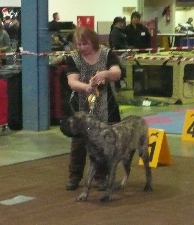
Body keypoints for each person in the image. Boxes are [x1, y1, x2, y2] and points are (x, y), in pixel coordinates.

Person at [64, 26, 122, 191]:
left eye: (85, 44)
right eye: (79, 44)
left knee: (104, 143)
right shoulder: (73, 58)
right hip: (81, 106)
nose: (82, 47)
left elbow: (116, 73)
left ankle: (101, 177)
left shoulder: (107, 53)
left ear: (93, 41)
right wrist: (86, 87)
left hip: (107, 106)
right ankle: (74, 176)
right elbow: (72, 81)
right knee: (79, 143)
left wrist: (104, 74)